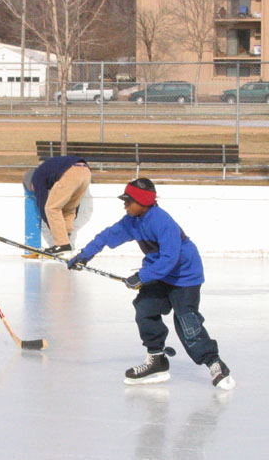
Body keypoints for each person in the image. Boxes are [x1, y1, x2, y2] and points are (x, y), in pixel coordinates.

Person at [67, 178, 236, 390]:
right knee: (145, 309)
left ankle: (215, 364)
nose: (125, 205)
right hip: (159, 274)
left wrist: (142, 276)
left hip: (184, 276)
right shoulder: (132, 220)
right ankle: (157, 360)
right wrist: (85, 255)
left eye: (128, 201)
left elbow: (170, 258)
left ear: (143, 202)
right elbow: (108, 235)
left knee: (186, 322)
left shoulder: (162, 222)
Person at [26, 155, 91, 257]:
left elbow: (43, 204)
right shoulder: (48, 170)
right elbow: (74, 207)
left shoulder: (36, 178)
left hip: (70, 172)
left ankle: (62, 245)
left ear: (31, 185)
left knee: (52, 208)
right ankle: (66, 243)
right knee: (69, 209)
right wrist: (63, 231)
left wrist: (53, 227)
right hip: (86, 172)